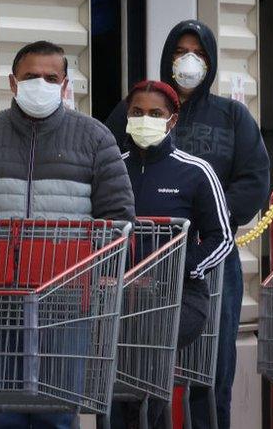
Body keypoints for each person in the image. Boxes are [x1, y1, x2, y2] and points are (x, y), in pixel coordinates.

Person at [0, 41, 135, 429]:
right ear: (13, 83)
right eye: (31, 76)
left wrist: (99, 276)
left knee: (57, 414)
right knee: (3, 414)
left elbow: (118, 217)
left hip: (65, 302)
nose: (41, 84)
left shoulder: (95, 138)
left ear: (65, 84)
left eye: (50, 78)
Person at [104, 20, 269, 429]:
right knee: (136, 363)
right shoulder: (133, 110)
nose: (188, 60)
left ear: (210, 62)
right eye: (180, 51)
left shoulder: (233, 116)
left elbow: (254, 179)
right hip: (137, 267)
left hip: (208, 259)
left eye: (197, 52)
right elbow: (105, 172)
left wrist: (205, 219)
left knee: (212, 369)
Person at [109, 80, 235, 428]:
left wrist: (180, 270)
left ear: (172, 120)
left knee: (145, 351)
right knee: (115, 373)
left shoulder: (196, 171)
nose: (144, 119)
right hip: (122, 298)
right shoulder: (112, 168)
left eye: (155, 113)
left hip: (180, 299)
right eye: (137, 112)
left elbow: (221, 239)